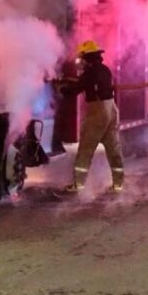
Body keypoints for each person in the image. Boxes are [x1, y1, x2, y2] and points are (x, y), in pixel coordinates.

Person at [55, 40, 125, 193]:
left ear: (88, 58)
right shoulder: (105, 70)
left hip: (98, 112)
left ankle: (78, 184)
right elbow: (88, 84)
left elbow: (75, 90)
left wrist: (61, 89)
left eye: (82, 59)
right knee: (113, 148)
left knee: (86, 148)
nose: (80, 62)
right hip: (111, 109)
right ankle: (118, 184)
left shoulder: (90, 74)